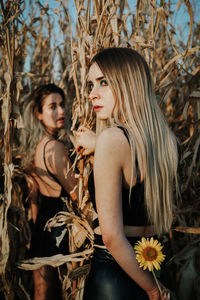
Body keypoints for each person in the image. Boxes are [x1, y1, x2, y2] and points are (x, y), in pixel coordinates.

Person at [74, 47, 178, 300]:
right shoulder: (167, 141)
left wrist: (153, 290)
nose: (91, 94)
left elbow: (111, 236)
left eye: (104, 82)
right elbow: (134, 165)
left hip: (117, 272)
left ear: (129, 83)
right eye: (90, 85)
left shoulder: (112, 139)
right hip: (154, 260)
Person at [20, 83, 77, 300]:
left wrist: (36, 232)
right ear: (39, 114)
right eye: (52, 106)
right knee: (68, 292)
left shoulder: (35, 147)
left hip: (42, 225)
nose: (61, 111)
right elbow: (78, 196)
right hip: (61, 226)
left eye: (62, 104)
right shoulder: (56, 148)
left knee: (42, 293)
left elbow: (34, 196)